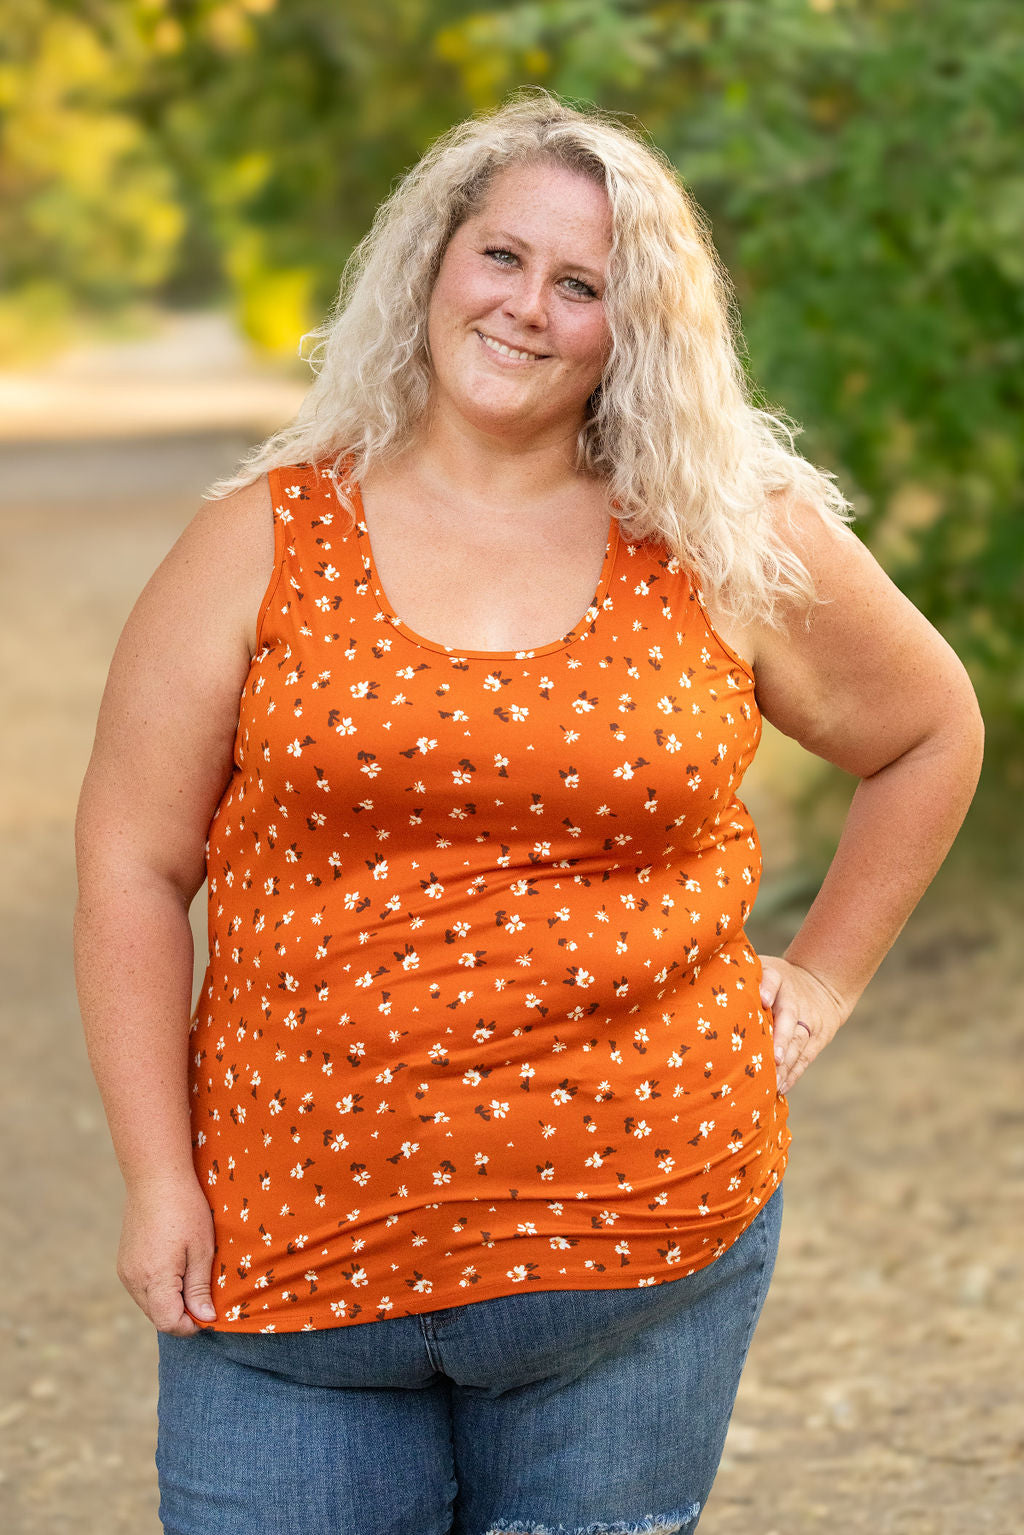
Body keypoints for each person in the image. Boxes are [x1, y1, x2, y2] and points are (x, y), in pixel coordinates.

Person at [74, 90, 982, 1535]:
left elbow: (932, 730)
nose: (529, 309)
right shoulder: (260, 541)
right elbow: (131, 861)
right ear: (434, 260)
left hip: (635, 1268)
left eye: (584, 286)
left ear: (636, 331)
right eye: (503, 257)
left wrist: (821, 977)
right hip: (289, 1267)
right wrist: (153, 1176)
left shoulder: (719, 539)